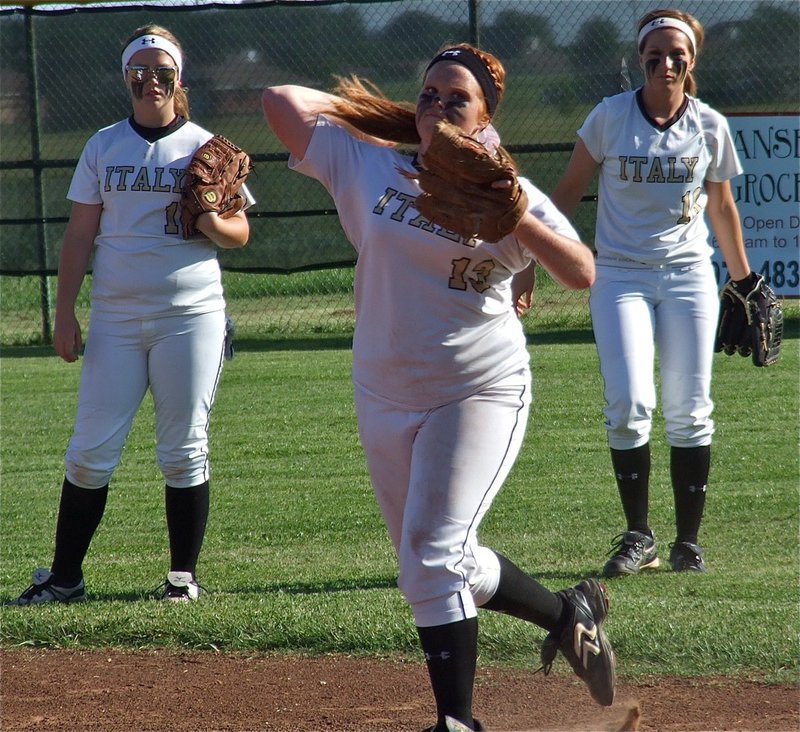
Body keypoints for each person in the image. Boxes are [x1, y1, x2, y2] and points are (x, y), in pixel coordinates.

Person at [262, 43, 614, 732]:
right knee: (438, 564)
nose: (439, 106)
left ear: (488, 119)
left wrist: (514, 217)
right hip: (384, 390)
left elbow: (581, 271)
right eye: (429, 94)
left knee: (430, 558)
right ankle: (567, 613)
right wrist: (392, 120)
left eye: (457, 98)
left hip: (477, 390)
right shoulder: (370, 162)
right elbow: (280, 102)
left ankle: (458, 723)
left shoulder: (510, 193)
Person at [13, 24, 251, 605]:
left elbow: (240, 233)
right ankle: (65, 578)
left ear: (179, 77)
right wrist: (65, 311)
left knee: (183, 446)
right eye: (138, 71)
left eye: (162, 70)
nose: (151, 80)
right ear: (126, 78)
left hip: (189, 313)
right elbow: (78, 235)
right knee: (90, 449)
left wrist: (212, 221)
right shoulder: (103, 145)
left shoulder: (205, 145)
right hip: (116, 318)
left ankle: (181, 580)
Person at [551, 8, 754, 577]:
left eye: (677, 55)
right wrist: (527, 259)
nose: (665, 63)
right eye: (654, 55)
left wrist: (743, 280)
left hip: (689, 275)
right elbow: (565, 194)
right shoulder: (610, 117)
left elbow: (721, 206)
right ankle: (639, 537)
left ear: (692, 60)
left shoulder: (709, 124)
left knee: (691, 410)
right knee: (630, 403)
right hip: (619, 274)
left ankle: (688, 542)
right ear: (639, 58)